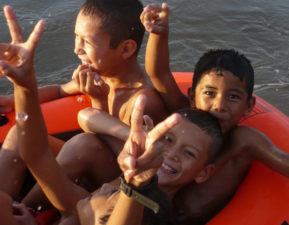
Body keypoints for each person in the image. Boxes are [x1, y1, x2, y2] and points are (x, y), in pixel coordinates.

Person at [0, 15, 223, 224]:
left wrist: (134, 185)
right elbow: (37, 153)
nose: (170, 153)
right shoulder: (83, 205)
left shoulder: (102, 208)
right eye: (167, 140)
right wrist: (24, 86)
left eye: (189, 152)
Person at [140, 3, 289, 224]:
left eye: (233, 97)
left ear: (248, 105)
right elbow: (158, 74)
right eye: (210, 93)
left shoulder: (244, 141)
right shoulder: (183, 114)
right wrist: (159, 33)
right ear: (193, 95)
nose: (219, 105)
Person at [0, 0, 167, 202]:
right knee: (20, 134)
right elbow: (60, 90)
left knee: (84, 144)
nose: (76, 49)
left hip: (115, 180)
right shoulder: (102, 75)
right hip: (89, 156)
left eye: (86, 42)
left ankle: (27, 207)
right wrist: (12, 100)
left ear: (125, 49)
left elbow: (114, 153)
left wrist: (98, 100)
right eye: (76, 38)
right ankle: (4, 202)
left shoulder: (143, 101)